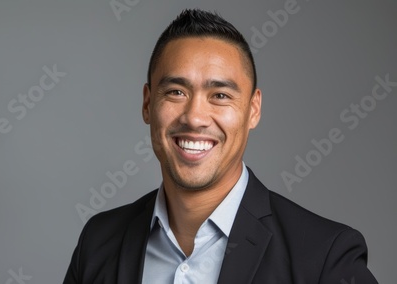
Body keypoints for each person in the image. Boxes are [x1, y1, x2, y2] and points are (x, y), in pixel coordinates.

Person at [63, 9, 378, 284]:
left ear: (253, 110)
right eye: (175, 91)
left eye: (221, 95)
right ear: (148, 104)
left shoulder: (324, 256)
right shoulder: (99, 241)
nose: (195, 117)